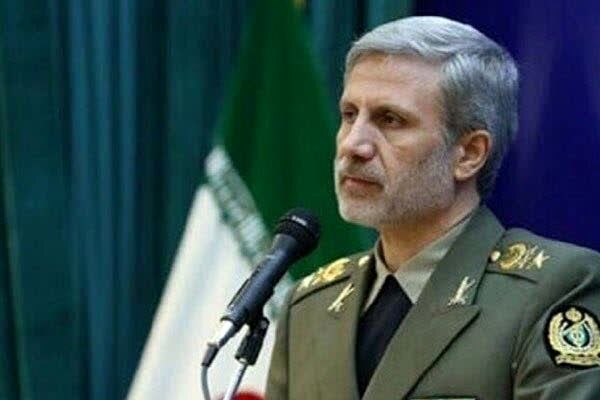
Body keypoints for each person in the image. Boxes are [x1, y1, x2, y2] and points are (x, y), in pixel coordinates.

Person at [265, 16, 600, 400]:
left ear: (469, 154)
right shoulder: (309, 306)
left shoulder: (555, 289)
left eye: (390, 120)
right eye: (349, 115)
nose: (353, 145)